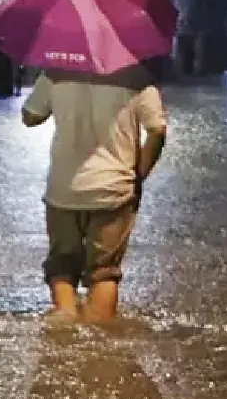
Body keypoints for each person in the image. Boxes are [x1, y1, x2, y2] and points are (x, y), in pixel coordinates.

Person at [20, 65, 168, 325]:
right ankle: (100, 341)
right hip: (114, 189)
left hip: (63, 189)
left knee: (62, 265)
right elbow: (157, 130)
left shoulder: (56, 71)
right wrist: (139, 175)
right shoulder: (137, 76)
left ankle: (64, 321)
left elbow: (30, 117)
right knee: (103, 272)